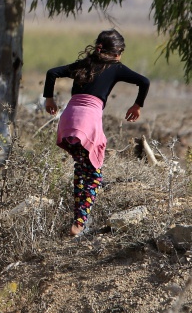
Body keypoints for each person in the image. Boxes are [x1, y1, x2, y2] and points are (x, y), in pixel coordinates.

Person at [43, 29, 149, 238]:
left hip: (68, 119)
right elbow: (144, 81)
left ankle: (78, 219)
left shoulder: (84, 64)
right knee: (93, 174)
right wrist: (137, 106)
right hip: (87, 121)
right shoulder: (115, 67)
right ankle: (80, 223)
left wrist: (49, 99)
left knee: (82, 167)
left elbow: (51, 73)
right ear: (117, 51)